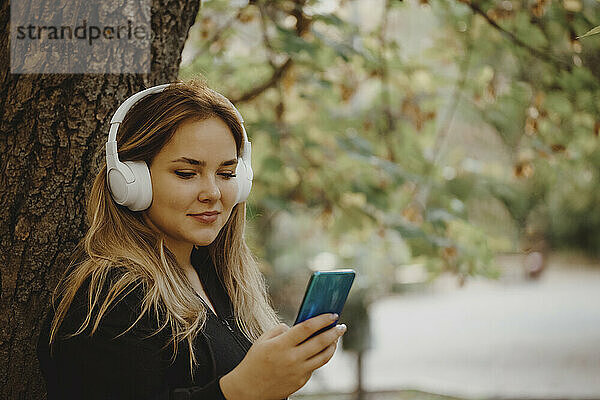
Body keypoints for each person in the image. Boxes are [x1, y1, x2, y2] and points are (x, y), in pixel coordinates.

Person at [36, 80, 347, 400]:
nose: (212, 192)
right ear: (131, 182)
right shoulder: (108, 298)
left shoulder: (220, 279)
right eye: (187, 173)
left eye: (226, 174)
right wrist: (241, 390)